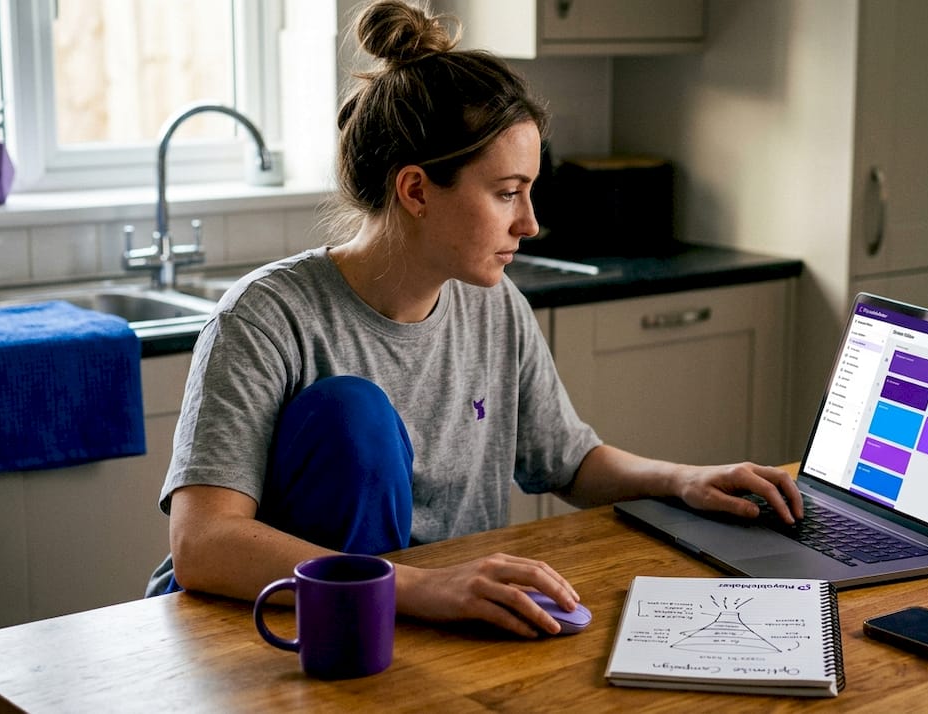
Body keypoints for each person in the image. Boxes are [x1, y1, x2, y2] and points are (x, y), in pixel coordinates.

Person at [146, 0, 801, 638]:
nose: (531, 222)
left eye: (529, 191)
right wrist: (425, 587)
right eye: (507, 192)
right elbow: (203, 544)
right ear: (416, 190)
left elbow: (570, 463)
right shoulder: (269, 316)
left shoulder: (493, 304)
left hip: (431, 622)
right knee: (353, 412)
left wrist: (687, 481)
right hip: (271, 630)